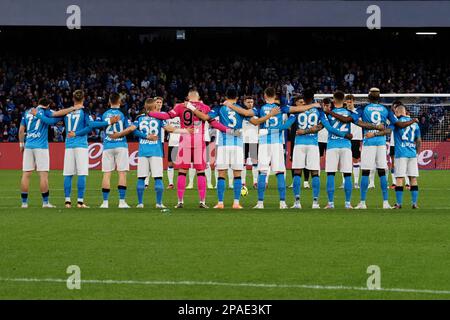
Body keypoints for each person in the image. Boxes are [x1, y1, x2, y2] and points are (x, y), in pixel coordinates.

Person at [148, 90, 234, 208]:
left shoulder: (180, 106)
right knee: (201, 172)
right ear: (198, 98)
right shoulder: (205, 107)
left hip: (185, 141)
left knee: (182, 172)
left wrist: (151, 113)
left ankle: (180, 201)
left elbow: (166, 116)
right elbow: (213, 123)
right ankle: (202, 201)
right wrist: (228, 131)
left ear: (188, 97)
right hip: (199, 142)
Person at [268, 90, 352, 209]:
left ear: (304, 99)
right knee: (315, 174)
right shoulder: (318, 111)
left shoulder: (297, 111)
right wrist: (344, 135)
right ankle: (315, 202)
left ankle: (297, 202)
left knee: (297, 173)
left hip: (299, 144)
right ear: (313, 98)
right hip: (313, 144)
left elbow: (286, 126)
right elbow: (328, 127)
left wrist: (271, 129)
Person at [110, 98, 189, 208]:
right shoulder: (159, 118)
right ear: (154, 107)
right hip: (156, 151)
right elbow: (170, 129)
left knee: (141, 178)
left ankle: (140, 203)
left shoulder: (140, 118)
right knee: (158, 178)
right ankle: (159, 203)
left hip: (143, 151)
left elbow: (130, 129)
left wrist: (118, 134)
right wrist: (185, 131)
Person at [189, 88, 246, 209]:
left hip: (224, 144)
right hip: (238, 145)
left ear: (225, 97)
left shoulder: (219, 108)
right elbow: (250, 116)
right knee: (237, 174)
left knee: (221, 173)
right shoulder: (241, 109)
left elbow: (205, 117)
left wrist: (193, 109)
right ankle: (236, 203)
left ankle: (220, 202)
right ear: (236, 97)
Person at [19, 98, 60, 208]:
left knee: (26, 174)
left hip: (28, 146)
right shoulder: (46, 111)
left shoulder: (27, 112)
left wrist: (21, 144)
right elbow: (53, 120)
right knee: (43, 175)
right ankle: (45, 203)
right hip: (41, 147)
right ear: (47, 105)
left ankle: (24, 203)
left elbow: (21, 130)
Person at [97, 92, 130, 209]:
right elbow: (128, 128)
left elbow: (101, 126)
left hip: (107, 145)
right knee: (122, 173)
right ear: (120, 101)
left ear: (109, 102)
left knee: (107, 174)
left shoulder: (104, 113)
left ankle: (105, 202)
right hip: (121, 144)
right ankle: (122, 202)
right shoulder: (124, 113)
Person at [392, 104, 421, 209]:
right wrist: (417, 153)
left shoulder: (397, 122)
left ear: (398, 112)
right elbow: (418, 140)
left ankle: (399, 204)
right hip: (412, 154)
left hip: (401, 154)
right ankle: (414, 203)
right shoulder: (415, 125)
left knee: (399, 178)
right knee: (413, 178)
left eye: (395, 112)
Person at [241, 96, 259, 188]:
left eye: (251, 102)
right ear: (244, 102)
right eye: (248, 102)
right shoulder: (241, 113)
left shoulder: (257, 113)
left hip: (254, 140)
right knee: (242, 163)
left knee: (255, 163)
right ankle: (243, 182)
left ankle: (255, 182)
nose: (250, 103)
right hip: (243, 141)